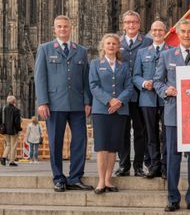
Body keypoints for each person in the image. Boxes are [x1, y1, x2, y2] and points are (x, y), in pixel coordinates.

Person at [153, 19, 190, 212]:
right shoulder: (166, 55)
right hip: (173, 114)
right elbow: (157, 81)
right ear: (177, 34)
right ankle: (172, 198)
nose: (186, 35)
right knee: (172, 158)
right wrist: (166, 90)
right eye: (183, 32)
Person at [35, 15, 93, 192]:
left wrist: (87, 101)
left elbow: (85, 79)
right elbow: (40, 77)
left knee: (80, 141)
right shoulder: (44, 49)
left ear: (71, 28)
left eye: (65, 26)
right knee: (55, 142)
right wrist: (43, 102)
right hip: (54, 104)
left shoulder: (81, 50)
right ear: (54, 29)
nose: (62, 29)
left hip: (77, 104)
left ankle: (75, 177)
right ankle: (58, 178)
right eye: (59, 27)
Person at [89, 33, 134, 194]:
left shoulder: (124, 66)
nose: (111, 46)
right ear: (103, 46)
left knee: (113, 147)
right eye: (108, 43)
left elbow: (129, 87)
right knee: (102, 146)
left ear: (118, 47)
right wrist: (109, 100)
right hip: (102, 110)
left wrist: (119, 101)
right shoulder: (95, 64)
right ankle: (101, 181)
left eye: (114, 43)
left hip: (120, 111)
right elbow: (93, 85)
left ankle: (108, 179)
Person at [115, 10, 153, 177]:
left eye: (134, 22)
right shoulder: (116, 42)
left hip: (141, 94)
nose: (131, 25)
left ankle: (138, 166)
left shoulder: (147, 42)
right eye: (128, 22)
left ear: (139, 24)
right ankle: (123, 165)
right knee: (122, 131)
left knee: (140, 131)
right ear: (123, 24)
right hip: (122, 95)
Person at [133, 20, 170, 179]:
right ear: (150, 32)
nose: (157, 33)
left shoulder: (172, 51)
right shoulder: (142, 52)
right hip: (147, 99)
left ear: (165, 32)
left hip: (166, 99)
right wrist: (143, 82)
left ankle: (167, 167)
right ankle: (154, 165)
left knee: (167, 134)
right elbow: (135, 76)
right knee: (150, 133)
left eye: (160, 30)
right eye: (154, 30)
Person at [0, 96, 22, 166]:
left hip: (5, 130)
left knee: (8, 145)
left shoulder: (3, 109)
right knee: (13, 146)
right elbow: (17, 122)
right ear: (13, 102)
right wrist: (19, 129)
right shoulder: (16, 110)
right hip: (13, 131)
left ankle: (3, 157)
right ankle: (11, 161)